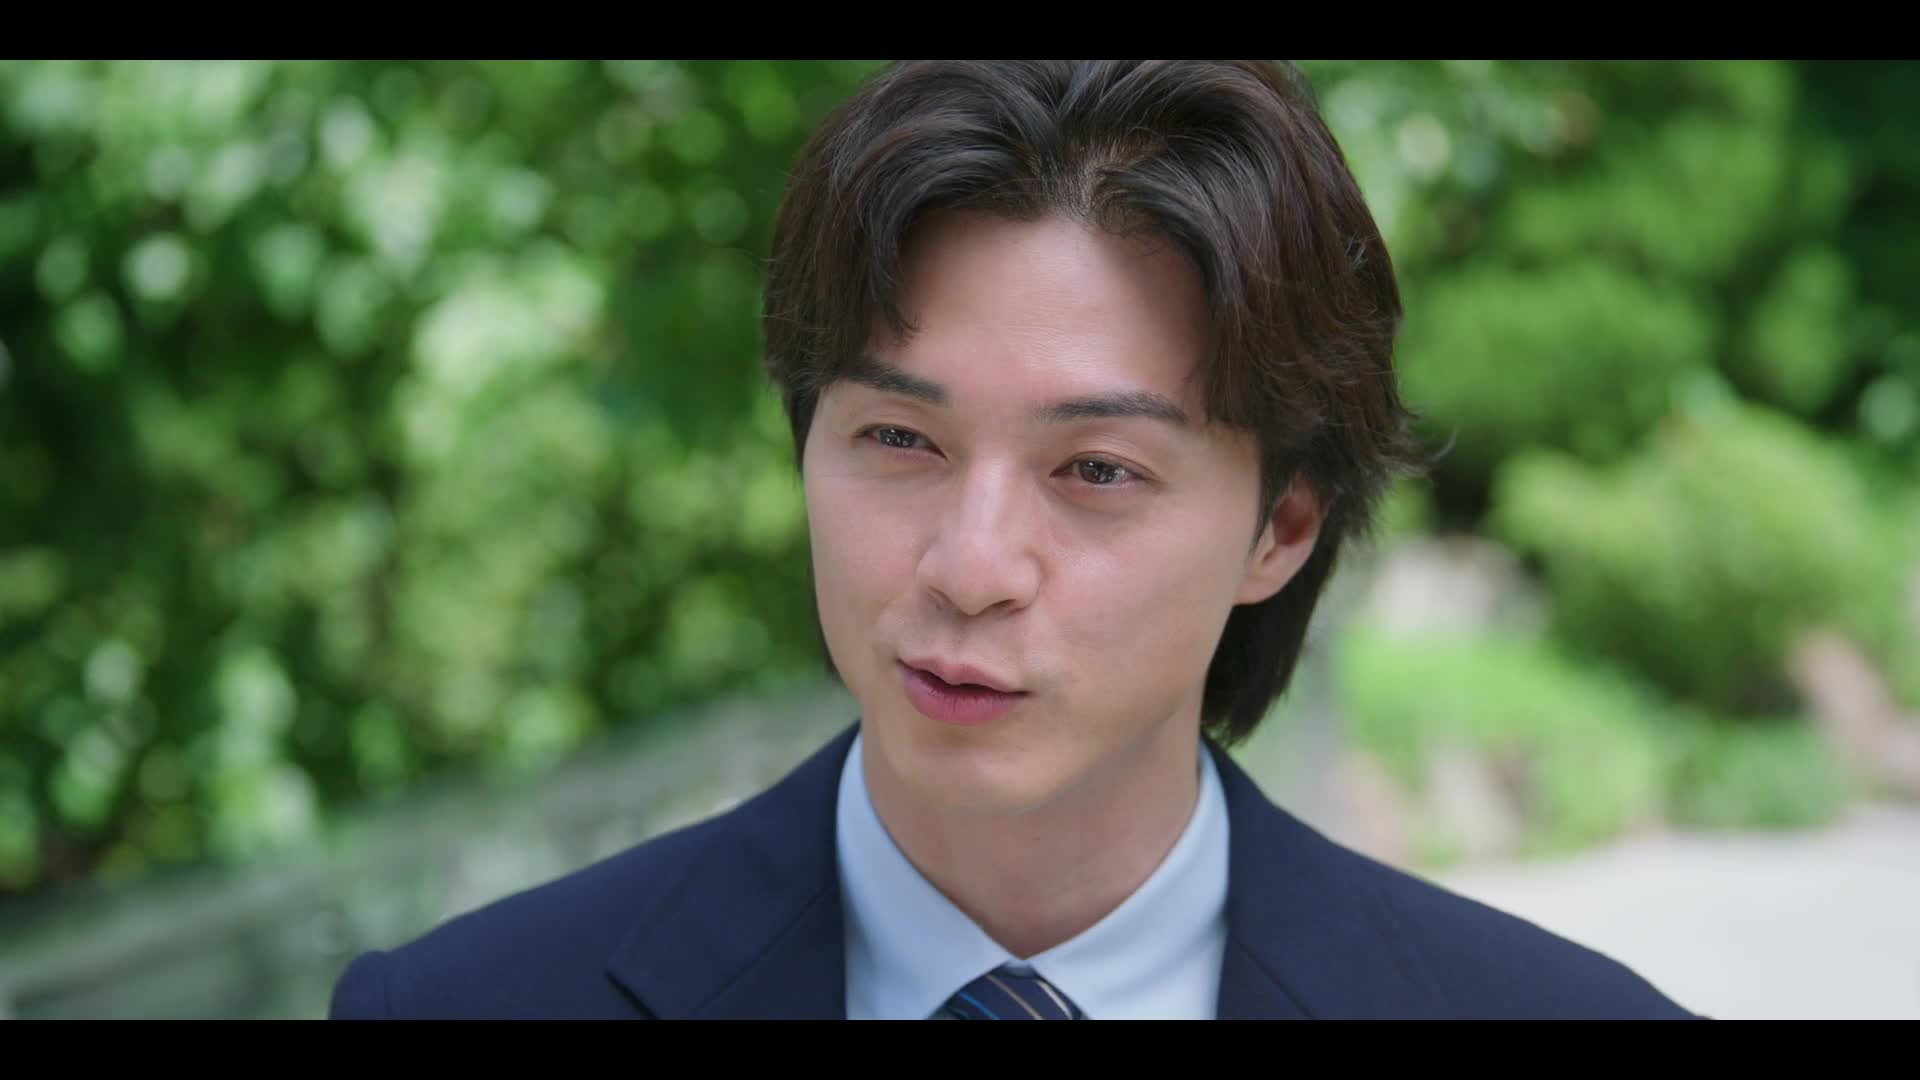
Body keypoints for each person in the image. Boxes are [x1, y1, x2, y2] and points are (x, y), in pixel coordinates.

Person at [329, 60, 1700, 1020]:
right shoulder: (459, 1006)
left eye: (1096, 469)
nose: (970, 568)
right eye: (900, 440)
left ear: (1281, 526)